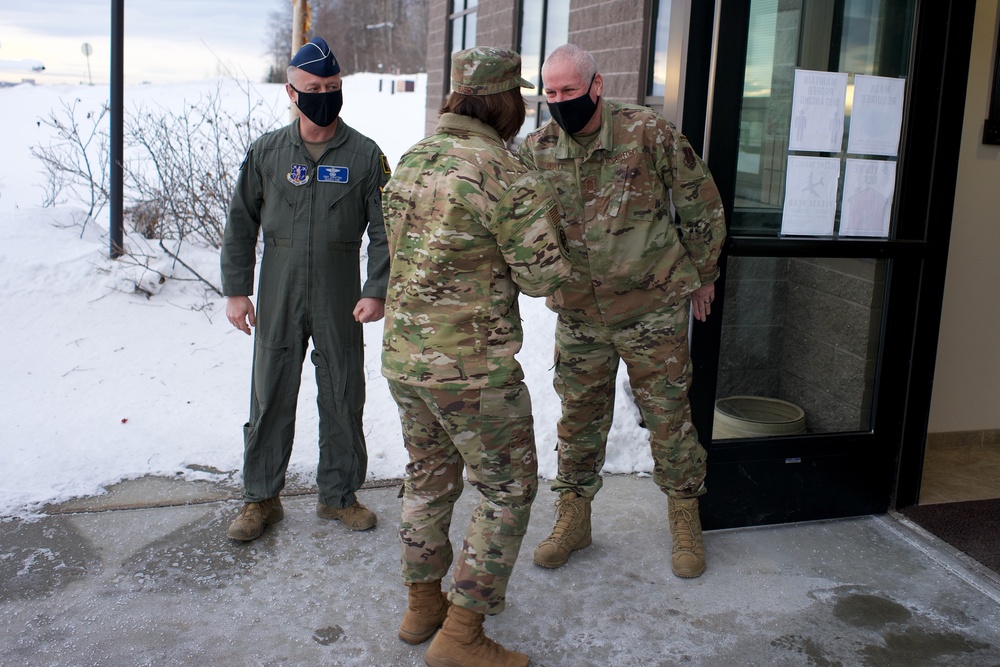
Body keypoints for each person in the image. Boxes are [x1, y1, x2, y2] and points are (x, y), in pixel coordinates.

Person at [381, 47, 575, 667]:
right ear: (502, 102)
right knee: (506, 489)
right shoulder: (505, 173)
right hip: (473, 373)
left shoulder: (412, 159)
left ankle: (422, 606)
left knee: (428, 482)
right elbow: (544, 277)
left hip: (407, 362)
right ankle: (462, 635)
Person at [518, 43, 727, 578]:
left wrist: (704, 273)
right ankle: (573, 518)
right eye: (551, 92)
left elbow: (700, 200)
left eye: (569, 90)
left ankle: (684, 518)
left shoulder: (647, 133)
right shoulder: (537, 149)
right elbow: (515, 224)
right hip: (581, 317)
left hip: (650, 310)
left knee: (669, 420)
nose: (559, 101)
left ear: (597, 85)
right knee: (579, 422)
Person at [220, 37, 390, 542]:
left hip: (340, 292)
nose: (324, 95)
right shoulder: (268, 152)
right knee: (270, 392)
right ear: (291, 93)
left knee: (342, 391)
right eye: (314, 88)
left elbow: (386, 230)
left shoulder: (364, 155)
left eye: (333, 87)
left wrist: (376, 287)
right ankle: (260, 498)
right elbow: (240, 223)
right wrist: (236, 290)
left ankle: (339, 495)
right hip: (278, 288)